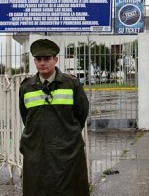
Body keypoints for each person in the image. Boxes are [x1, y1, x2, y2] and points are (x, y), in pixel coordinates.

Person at [19, 39, 90, 196]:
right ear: (34, 61)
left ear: (55, 60)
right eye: (39, 59)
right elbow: (26, 118)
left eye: (47, 59)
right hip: (37, 150)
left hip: (67, 150)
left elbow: (81, 114)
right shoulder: (26, 87)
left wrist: (68, 135)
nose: (42, 63)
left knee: (69, 189)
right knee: (37, 189)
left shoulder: (71, 84)